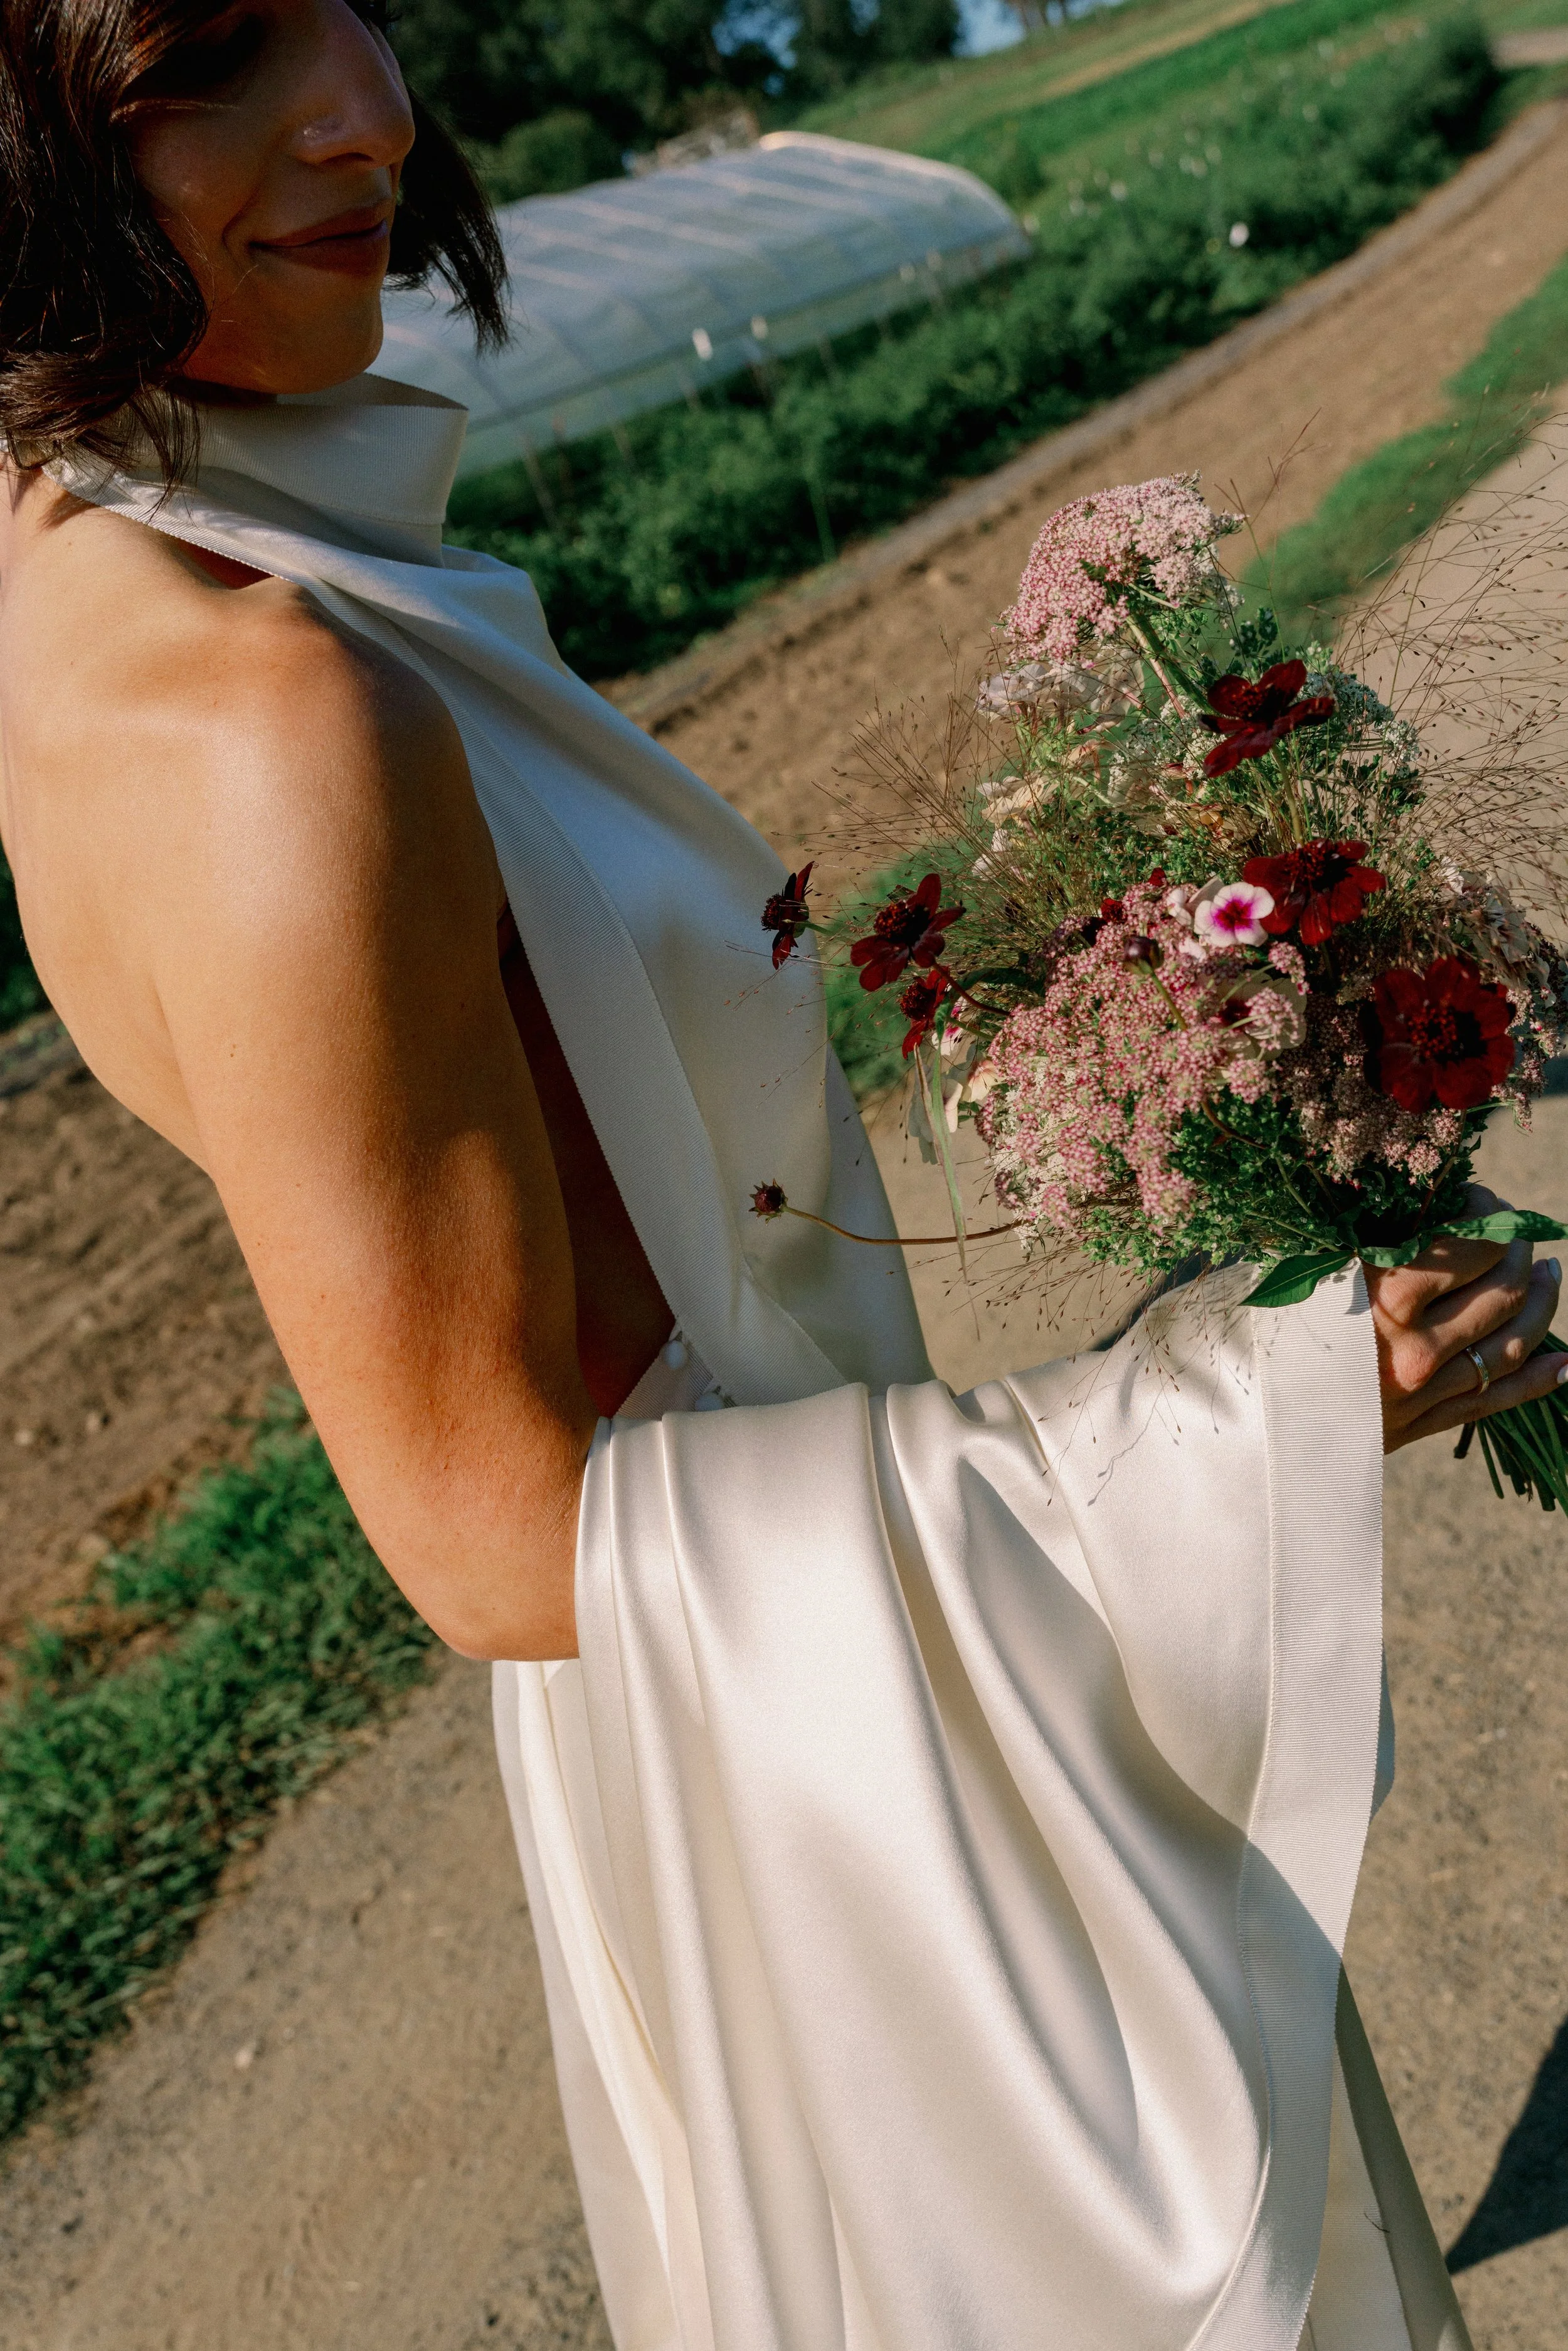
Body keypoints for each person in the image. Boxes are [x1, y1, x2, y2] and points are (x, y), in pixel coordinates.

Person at [0, 5, 1557, 2343]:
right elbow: (502, 1535)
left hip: (811, 1659)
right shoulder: (264, 713)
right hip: (814, 1773)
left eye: (358, 1)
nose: (366, 110)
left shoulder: (109, 560)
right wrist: (1237, 1419)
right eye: (214, 44)